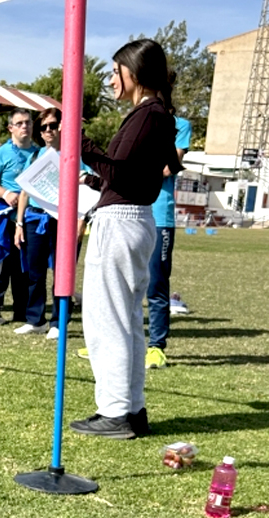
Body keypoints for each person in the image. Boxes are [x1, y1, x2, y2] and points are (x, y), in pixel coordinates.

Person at [70, 38, 182, 440]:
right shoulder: (157, 116)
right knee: (128, 321)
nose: (112, 79)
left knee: (108, 321)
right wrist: (97, 179)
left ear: (134, 73)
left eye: (116, 71)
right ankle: (131, 410)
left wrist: (79, 143)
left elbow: (123, 172)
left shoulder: (147, 115)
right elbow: (146, 171)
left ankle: (116, 411)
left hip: (120, 224)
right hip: (132, 218)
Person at [0, 108, 38, 326]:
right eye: (20, 123)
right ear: (10, 128)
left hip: (31, 219)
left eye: (28, 122)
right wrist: (5, 193)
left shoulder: (39, 154)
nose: (25, 126)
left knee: (25, 266)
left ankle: (22, 311)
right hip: (4, 219)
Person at [145, 87, 192, 369]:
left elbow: (169, 166)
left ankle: (156, 347)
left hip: (160, 216)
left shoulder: (180, 126)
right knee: (124, 284)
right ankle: (118, 343)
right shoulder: (139, 122)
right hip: (132, 212)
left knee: (156, 285)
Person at [13, 107, 68, 338]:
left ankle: (58, 322)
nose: (48, 131)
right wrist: (19, 223)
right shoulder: (35, 156)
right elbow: (25, 191)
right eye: (43, 127)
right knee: (34, 272)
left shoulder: (71, 154)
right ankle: (36, 319)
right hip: (35, 219)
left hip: (61, 220)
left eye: (53, 126)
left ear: (62, 127)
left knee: (60, 272)